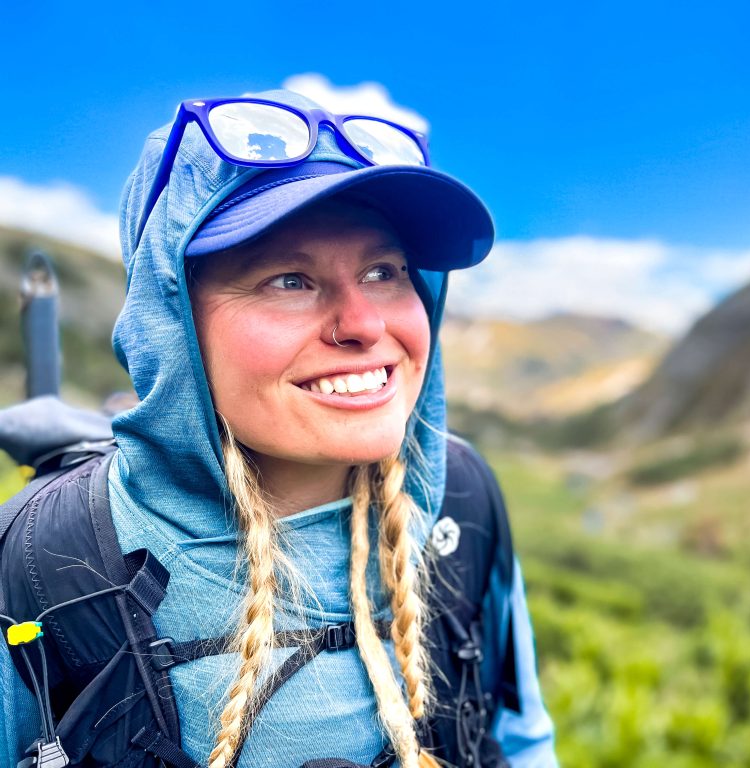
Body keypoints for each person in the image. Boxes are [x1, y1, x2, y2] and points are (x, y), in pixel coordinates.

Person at [0, 90, 556, 767]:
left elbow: (523, 741)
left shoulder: (460, 504)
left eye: (386, 271)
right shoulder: (43, 564)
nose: (364, 324)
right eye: (289, 279)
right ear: (172, 321)